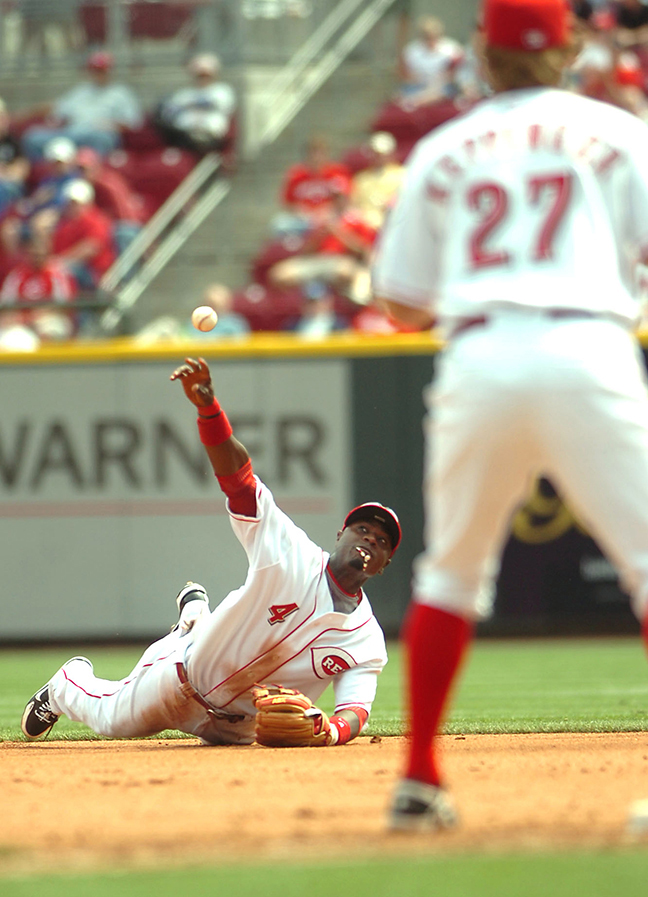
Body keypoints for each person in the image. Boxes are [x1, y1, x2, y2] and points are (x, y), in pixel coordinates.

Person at [372, 0, 648, 831]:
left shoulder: (442, 148)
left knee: (450, 574)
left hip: (480, 354)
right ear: (568, 48)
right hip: (588, 347)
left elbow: (401, 303)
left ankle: (418, 779)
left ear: (481, 55)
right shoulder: (618, 130)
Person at [21, 356, 401, 747]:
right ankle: (65, 684)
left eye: (383, 540)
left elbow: (355, 709)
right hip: (179, 680)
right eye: (363, 528)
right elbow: (239, 482)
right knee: (111, 718)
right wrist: (208, 409)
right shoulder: (291, 554)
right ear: (340, 534)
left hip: (235, 730)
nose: (371, 538)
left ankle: (194, 611)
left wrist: (330, 731)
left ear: (386, 564)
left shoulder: (366, 641)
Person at [20, 50, 143, 160]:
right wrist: (23, 114)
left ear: (109, 70)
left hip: (98, 134)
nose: (98, 73)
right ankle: (54, 174)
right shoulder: (81, 91)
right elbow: (57, 108)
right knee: (32, 138)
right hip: (73, 134)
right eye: (94, 70)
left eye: (101, 70)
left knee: (103, 139)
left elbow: (133, 123)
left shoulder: (121, 93)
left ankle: (88, 168)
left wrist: (112, 124)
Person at [0, 232, 78, 343]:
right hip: (21, 320)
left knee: (50, 331)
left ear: (47, 254)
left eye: (40, 255)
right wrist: (15, 317)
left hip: (49, 318)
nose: (37, 258)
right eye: (34, 254)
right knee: (8, 337)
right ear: (28, 255)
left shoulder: (57, 274)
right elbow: (6, 302)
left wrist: (41, 314)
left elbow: (64, 305)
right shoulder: (17, 275)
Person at [271, 134, 352, 237]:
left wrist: (326, 211)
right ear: (306, 156)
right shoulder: (296, 175)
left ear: (326, 154)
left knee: (351, 218)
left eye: (320, 154)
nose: (316, 158)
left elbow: (344, 201)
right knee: (278, 225)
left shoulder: (337, 173)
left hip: (331, 216)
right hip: (305, 219)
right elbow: (288, 203)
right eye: (313, 154)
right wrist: (304, 212)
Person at [154, 53, 236, 153]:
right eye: (200, 75)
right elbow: (168, 110)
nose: (203, 78)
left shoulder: (222, 91)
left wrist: (189, 105)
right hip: (182, 135)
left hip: (210, 136)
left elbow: (222, 105)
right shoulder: (185, 93)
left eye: (206, 75)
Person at [51, 179, 116, 290]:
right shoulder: (64, 223)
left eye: (76, 203)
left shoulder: (96, 220)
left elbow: (91, 248)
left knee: (64, 271)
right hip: (71, 266)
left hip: (93, 272)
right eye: (70, 203)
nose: (72, 206)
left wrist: (60, 262)